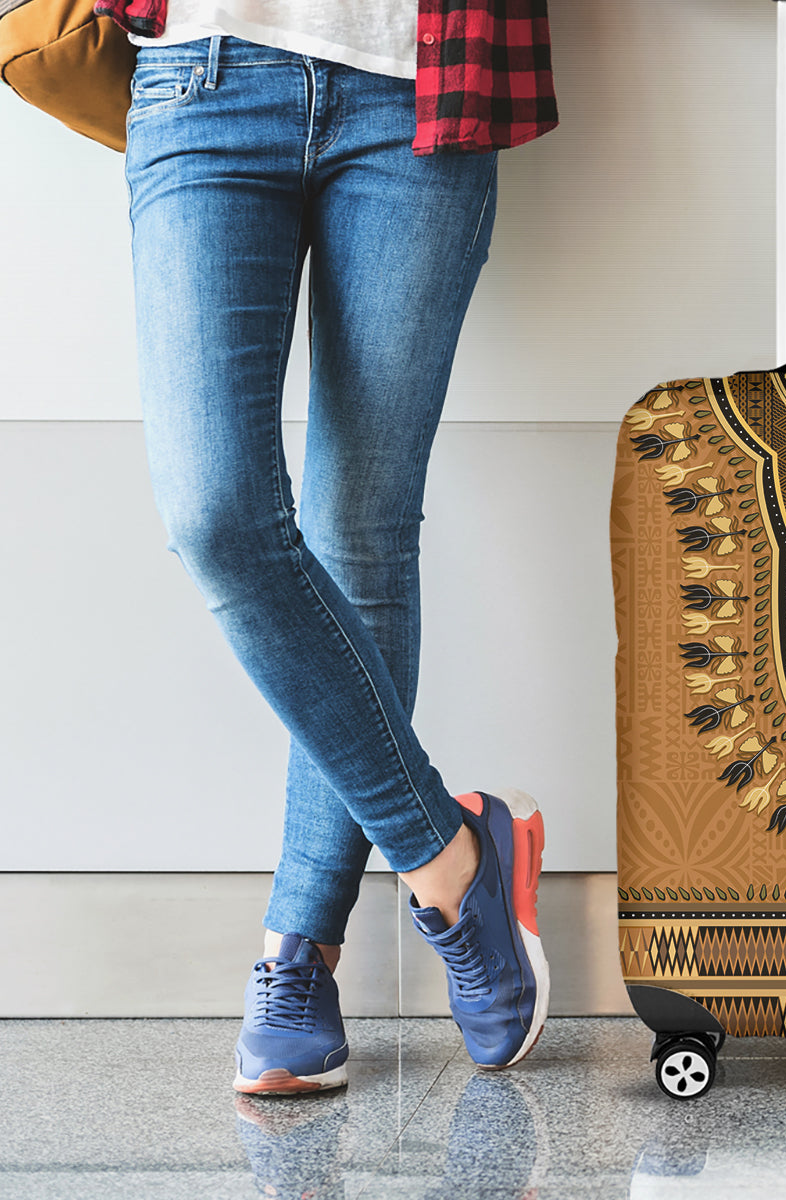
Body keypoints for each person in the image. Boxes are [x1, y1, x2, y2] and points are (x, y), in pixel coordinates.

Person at [95, 0, 557, 1093]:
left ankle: (299, 952)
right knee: (214, 515)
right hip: (203, 81)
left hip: (420, 91)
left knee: (362, 531)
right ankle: (452, 855)